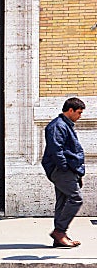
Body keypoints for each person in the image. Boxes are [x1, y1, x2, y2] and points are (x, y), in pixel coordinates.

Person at [42, 97, 85, 248]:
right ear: (70, 110)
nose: (80, 116)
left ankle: (59, 238)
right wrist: (66, 168)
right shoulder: (57, 126)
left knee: (63, 201)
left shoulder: (65, 125)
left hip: (66, 170)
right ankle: (60, 232)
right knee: (76, 198)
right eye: (79, 112)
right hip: (61, 170)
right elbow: (56, 150)